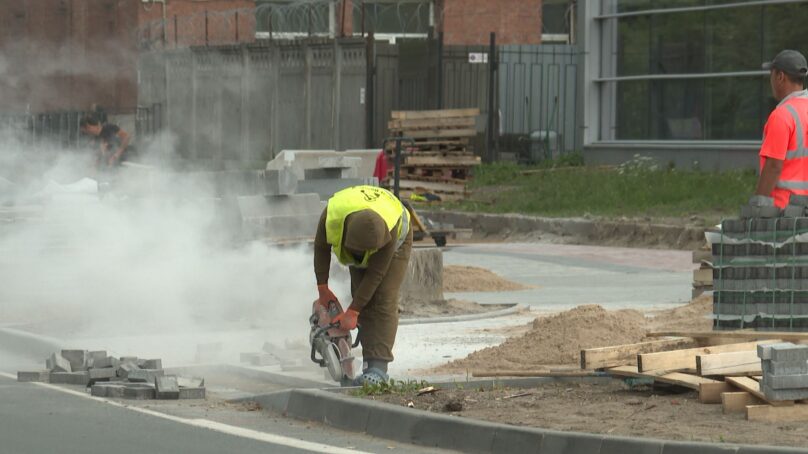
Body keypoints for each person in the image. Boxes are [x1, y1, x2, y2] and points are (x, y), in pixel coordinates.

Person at [313, 185, 412, 386]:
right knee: (361, 296)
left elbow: (376, 274)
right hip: (359, 233)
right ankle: (366, 363)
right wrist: (323, 288)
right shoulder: (331, 216)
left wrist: (353, 311)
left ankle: (378, 368)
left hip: (396, 243)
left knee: (382, 297)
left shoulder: (390, 229)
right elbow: (321, 248)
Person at [754, 50, 808, 208]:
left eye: (771, 74)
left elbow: (773, 167)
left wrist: (758, 206)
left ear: (780, 77)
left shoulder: (782, 115)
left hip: (784, 210)